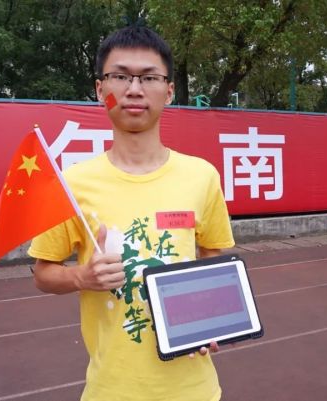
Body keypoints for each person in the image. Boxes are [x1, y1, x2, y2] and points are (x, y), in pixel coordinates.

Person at [28, 25, 235, 401]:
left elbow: (213, 253)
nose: (134, 89)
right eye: (120, 76)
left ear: (169, 91)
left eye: (149, 77)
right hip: (111, 390)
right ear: (100, 89)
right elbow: (43, 273)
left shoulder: (202, 176)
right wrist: (81, 276)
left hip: (194, 390)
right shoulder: (72, 183)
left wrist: (210, 314)